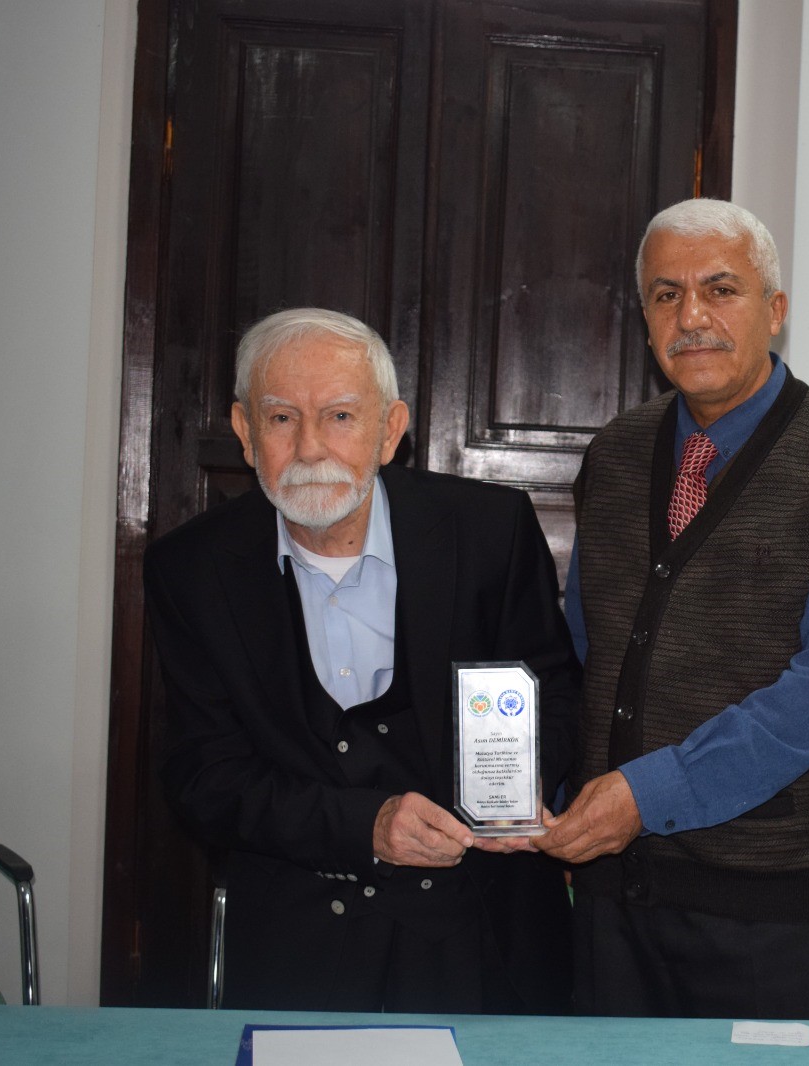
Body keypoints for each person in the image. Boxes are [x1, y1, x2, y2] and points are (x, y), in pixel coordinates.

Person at [534, 199, 809, 1020]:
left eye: (720, 289)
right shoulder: (615, 454)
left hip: (777, 912)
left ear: (774, 311)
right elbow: (584, 651)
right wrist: (557, 794)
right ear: (645, 321)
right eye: (665, 295)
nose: (691, 317)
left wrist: (646, 793)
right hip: (610, 903)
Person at [144, 308, 578, 1013]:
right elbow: (204, 775)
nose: (310, 447)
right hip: (297, 948)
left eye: (341, 416)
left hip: (481, 936)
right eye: (281, 418)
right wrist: (364, 826)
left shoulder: (488, 531)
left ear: (390, 430)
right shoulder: (191, 569)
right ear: (246, 433)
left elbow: (554, 693)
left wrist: (516, 786)